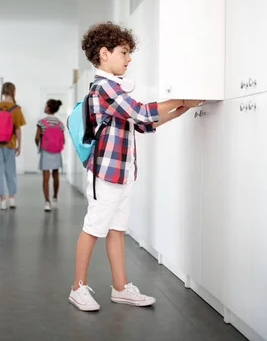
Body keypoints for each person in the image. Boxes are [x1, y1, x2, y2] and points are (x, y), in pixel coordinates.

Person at [69, 22, 203, 311]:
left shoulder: (115, 90)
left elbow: (143, 123)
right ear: (104, 54)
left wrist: (183, 108)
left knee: (117, 229)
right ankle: (77, 288)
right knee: (93, 228)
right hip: (105, 173)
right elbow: (141, 111)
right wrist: (179, 98)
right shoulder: (103, 89)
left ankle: (120, 288)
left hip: (122, 172)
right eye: (124, 52)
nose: (129, 59)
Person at [0, 82, 26, 210]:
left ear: (3, 91)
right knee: (10, 171)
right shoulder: (16, 109)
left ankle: (2, 199)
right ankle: (12, 198)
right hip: (10, 144)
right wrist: (19, 145)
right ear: (13, 92)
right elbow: (18, 130)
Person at [35, 99, 65, 212]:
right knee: (56, 175)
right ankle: (55, 197)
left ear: (48, 108)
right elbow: (63, 140)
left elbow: (37, 137)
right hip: (56, 152)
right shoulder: (60, 124)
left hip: (46, 151)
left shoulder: (41, 122)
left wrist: (39, 146)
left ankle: (47, 202)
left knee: (45, 178)